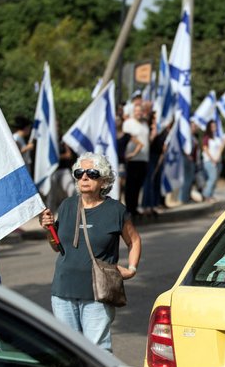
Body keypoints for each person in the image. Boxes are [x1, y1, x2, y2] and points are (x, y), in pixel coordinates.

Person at [39, 152, 141, 352]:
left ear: (104, 180)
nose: (84, 177)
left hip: (98, 293)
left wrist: (132, 268)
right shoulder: (67, 206)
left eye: (92, 173)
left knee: (97, 351)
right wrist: (48, 230)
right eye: (79, 173)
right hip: (63, 291)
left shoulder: (116, 210)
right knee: (68, 350)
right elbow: (57, 246)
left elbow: (134, 240)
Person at [123, 101, 150, 217]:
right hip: (133, 159)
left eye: (140, 111)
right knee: (131, 185)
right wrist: (131, 153)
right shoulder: (129, 123)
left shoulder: (144, 124)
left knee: (139, 185)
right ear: (133, 112)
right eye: (137, 111)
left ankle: (134, 208)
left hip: (144, 158)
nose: (139, 113)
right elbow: (126, 139)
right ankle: (129, 208)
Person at [202, 120, 225, 202]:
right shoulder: (206, 138)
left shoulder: (217, 138)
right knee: (212, 178)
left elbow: (220, 149)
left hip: (218, 161)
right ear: (209, 127)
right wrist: (212, 159)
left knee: (215, 179)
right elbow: (205, 149)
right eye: (212, 126)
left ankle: (211, 195)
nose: (214, 128)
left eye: (215, 126)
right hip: (209, 161)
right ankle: (206, 195)